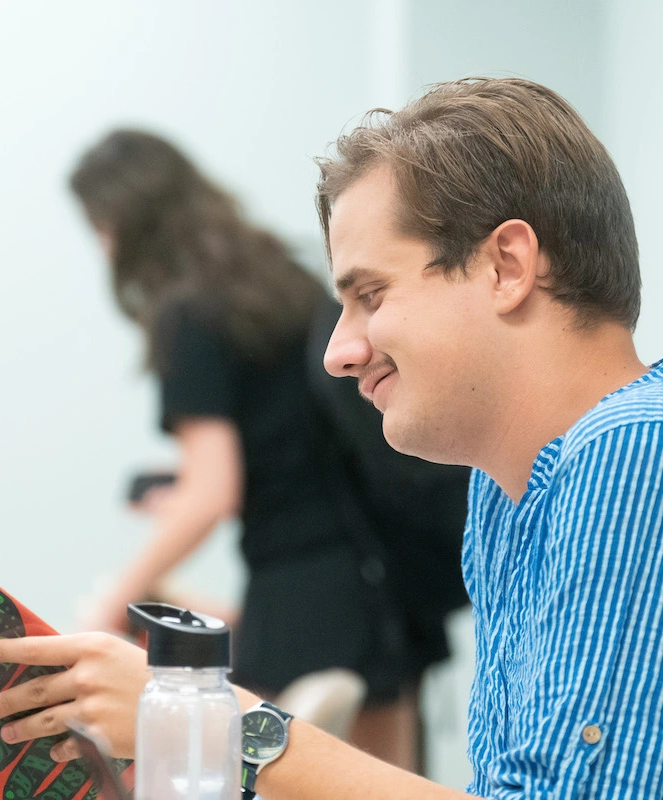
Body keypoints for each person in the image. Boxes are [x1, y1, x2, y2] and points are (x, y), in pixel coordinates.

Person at [0, 76, 663, 798]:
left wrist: (220, 722)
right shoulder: (502, 500)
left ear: (507, 267)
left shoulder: (629, 454)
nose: (338, 354)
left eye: (371, 296)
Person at [65, 130, 468, 769]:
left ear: (118, 220)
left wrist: (112, 606)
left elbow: (211, 494)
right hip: (373, 584)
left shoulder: (186, 316)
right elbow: (291, 447)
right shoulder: (280, 280)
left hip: (299, 604)